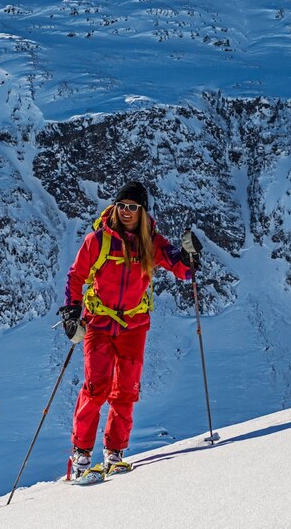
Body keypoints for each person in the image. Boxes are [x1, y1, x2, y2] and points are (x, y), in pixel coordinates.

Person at [58, 181, 202, 476]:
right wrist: (71, 313)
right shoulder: (98, 240)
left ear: (142, 210)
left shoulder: (152, 242)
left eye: (133, 207)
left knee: (126, 390)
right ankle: (81, 453)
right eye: (122, 205)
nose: (126, 211)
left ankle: (114, 452)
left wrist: (191, 256)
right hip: (99, 323)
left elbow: (183, 271)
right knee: (95, 387)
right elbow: (76, 276)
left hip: (133, 327)